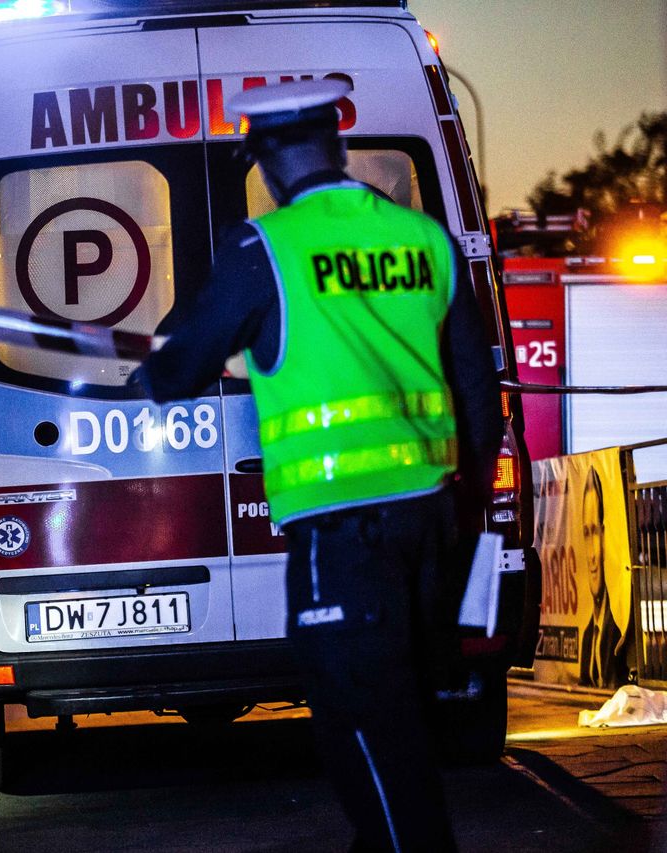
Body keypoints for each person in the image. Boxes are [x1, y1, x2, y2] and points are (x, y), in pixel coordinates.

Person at [129, 79, 502, 852]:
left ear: (265, 162)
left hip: (342, 532)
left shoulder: (265, 246)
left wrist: (151, 373)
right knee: (386, 719)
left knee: (365, 722)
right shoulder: (423, 239)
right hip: (429, 522)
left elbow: (179, 367)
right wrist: (464, 512)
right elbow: (475, 389)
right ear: (336, 146)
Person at [579, 467, 622, 688]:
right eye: (586, 533)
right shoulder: (587, 635)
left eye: (595, 531)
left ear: (604, 538)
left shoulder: (618, 627)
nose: (593, 555)